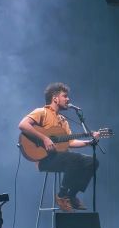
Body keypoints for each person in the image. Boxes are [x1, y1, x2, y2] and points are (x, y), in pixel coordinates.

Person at [18, 83, 99, 212]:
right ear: (55, 98)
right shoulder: (41, 112)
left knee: (92, 161)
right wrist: (44, 139)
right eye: (65, 96)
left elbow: (70, 142)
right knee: (74, 158)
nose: (68, 99)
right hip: (45, 159)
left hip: (63, 158)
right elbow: (23, 125)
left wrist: (89, 142)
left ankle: (71, 196)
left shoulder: (63, 120)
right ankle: (62, 195)